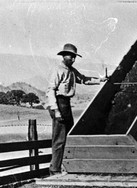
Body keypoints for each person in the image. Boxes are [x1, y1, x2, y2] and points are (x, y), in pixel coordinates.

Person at [46, 43, 107, 175]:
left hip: (66, 105)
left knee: (70, 135)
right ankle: (54, 169)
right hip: (59, 103)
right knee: (60, 139)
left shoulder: (72, 71)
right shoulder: (58, 70)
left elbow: (84, 79)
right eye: (70, 56)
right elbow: (50, 91)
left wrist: (100, 80)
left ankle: (66, 166)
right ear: (63, 56)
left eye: (74, 57)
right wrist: (56, 110)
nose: (73, 59)